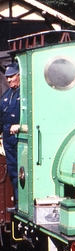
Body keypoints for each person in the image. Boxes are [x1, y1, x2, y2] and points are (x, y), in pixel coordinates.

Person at [1, 63, 21, 201]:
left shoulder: (25, 92)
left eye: (11, 76)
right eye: (7, 77)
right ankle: (18, 201)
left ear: (19, 75)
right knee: (13, 171)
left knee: (22, 171)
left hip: (20, 137)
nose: (8, 80)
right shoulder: (7, 94)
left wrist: (21, 125)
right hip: (8, 138)